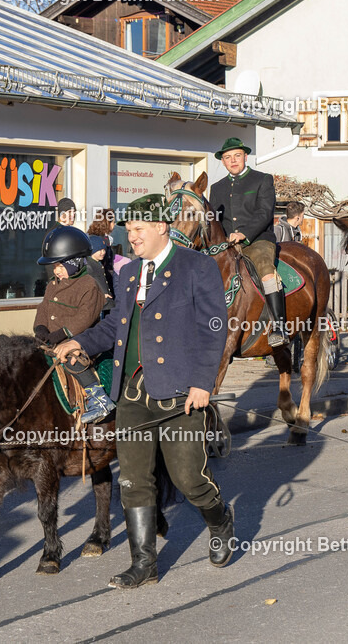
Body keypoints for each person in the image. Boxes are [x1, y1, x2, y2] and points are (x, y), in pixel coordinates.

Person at [54, 194, 233, 589]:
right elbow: (117, 326)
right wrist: (81, 342)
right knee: (134, 480)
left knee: (189, 479)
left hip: (179, 393)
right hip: (132, 394)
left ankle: (220, 521)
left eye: (137, 230)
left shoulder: (196, 267)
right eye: (128, 230)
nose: (130, 237)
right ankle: (143, 564)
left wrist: (204, 383)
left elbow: (213, 328)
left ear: (161, 228)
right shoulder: (128, 272)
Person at [208, 137, 289, 347]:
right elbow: (214, 220)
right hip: (226, 243)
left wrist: (243, 233)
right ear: (223, 161)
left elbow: (265, 212)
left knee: (266, 270)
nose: (233, 160)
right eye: (227, 157)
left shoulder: (262, 179)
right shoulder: (216, 188)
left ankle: (279, 326)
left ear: (245, 156)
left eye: (237, 156)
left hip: (258, 240)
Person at [34, 226, 114, 423]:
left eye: (60, 266)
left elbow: (85, 318)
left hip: (79, 340)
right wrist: (41, 328)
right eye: (54, 267)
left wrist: (62, 333)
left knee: (72, 358)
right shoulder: (53, 284)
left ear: (74, 263)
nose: (56, 271)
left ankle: (99, 398)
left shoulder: (89, 286)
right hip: (53, 340)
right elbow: (43, 308)